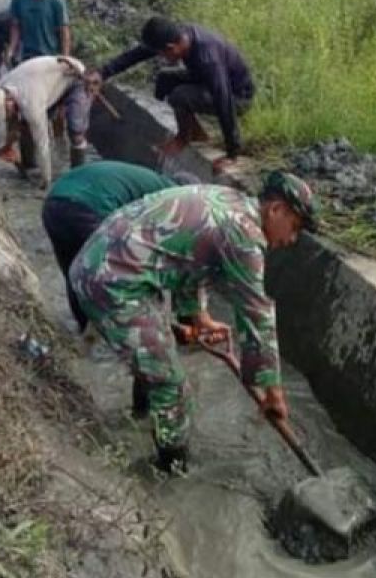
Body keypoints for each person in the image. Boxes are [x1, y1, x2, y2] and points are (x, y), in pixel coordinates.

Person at [69, 171, 319, 473]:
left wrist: (199, 317)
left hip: (106, 264)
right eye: (294, 228)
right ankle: (169, 471)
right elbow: (256, 314)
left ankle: (140, 418)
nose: (291, 240)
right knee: (173, 388)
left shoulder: (226, 200)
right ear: (276, 209)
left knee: (157, 353)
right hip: (111, 283)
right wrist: (273, 392)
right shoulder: (244, 236)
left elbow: (191, 259)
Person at [42, 161, 199, 332]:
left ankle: (84, 330)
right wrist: (190, 317)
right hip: (88, 209)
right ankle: (126, 335)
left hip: (53, 204)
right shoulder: (172, 197)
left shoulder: (147, 182)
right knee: (117, 274)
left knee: (75, 272)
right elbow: (172, 261)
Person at [84, 16, 253, 173]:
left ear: (172, 48)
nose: (163, 58)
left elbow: (223, 99)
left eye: (163, 55)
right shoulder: (180, 36)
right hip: (204, 81)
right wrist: (103, 73)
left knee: (180, 96)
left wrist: (232, 153)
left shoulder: (208, 57)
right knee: (165, 79)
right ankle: (194, 131)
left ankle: (183, 138)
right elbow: (137, 54)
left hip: (237, 96)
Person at [0, 55, 91, 189]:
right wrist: (8, 145)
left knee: (75, 131)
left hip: (73, 76)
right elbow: (13, 122)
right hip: (49, 83)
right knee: (25, 126)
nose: (6, 116)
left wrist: (46, 182)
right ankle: (29, 167)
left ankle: (78, 178)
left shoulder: (31, 103)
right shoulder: (0, 89)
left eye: (4, 112)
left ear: (8, 102)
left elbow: (42, 143)